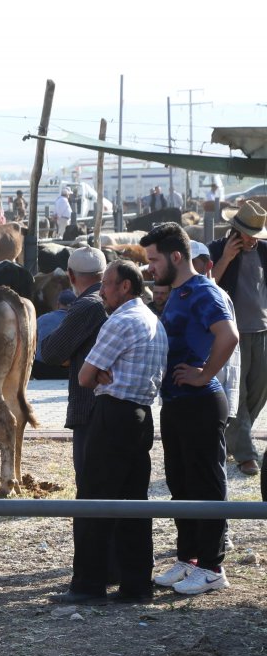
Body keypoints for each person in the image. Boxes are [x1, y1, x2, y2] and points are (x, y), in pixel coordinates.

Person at [52, 260, 169, 605]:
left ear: (125, 287)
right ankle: (136, 586)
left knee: (93, 499)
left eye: (107, 284)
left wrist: (100, 371)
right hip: (141, 415)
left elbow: (85, 377)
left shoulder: (120, 322)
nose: (101, 291)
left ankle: (89, 584)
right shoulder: (152, 320)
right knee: (135, 504)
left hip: (112, 414)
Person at [143, 223, 238, 595]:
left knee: (206, 484)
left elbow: (228, 335)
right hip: (177, 403)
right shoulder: (180, 292)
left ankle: (213, 568)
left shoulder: (202, 291)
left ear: (176, 257)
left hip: (201, 401)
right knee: (181, 484)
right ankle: (189, 559)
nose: (150, 268)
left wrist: (203, 374)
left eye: (154, 260)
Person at [41, 247, 108, 488]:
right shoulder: (119, 300)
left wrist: (69, 351)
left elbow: (50, 352)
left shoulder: (86, 306)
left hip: (89, 405)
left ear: (71, 275)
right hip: (117, 404)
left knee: (90, 482)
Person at [209, 202, 267, 476]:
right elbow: (207, 285)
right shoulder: (217, 249)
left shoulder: (265, 251)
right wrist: (226, 259)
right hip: (231, 331)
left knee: (259, 389)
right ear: (236, 230)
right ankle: (246, 454)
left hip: (262, 330)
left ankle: (234, 438)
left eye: (255, 233)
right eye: (247, 232)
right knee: (239, 394)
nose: (252, 239)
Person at [192, 240, 241, 425]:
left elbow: (231, 351)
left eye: (193, 263)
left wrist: (229, 401)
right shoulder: (181, 294)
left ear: (207, 266)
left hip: (211, 389)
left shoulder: (216, 297)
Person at [33, 288, 78, 379]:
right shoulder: (79, 320)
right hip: (67, 372)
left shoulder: (42, 319)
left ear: (58, 304)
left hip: (40, 370)